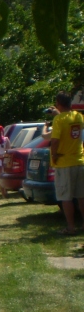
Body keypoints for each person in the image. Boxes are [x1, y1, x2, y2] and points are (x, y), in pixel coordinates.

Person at [50, 91, 84, 235]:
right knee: (81, 196)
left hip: (64, 162)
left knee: (66, 197)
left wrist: (54, 154)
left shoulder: (58, 120)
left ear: (58, 103)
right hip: (79, 159)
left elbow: (55, 140)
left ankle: (71, 227)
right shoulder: (78, 116)